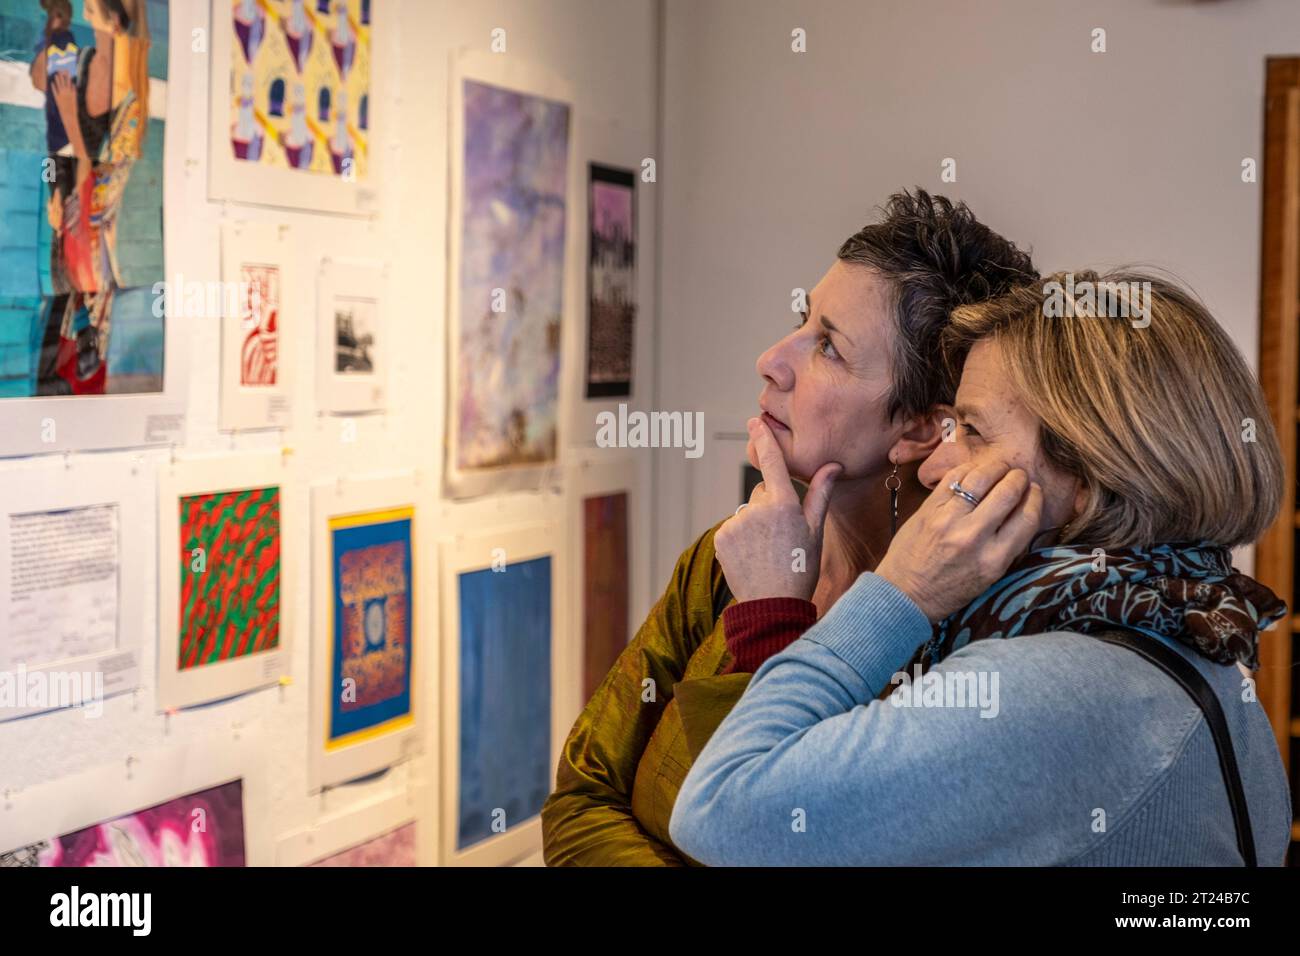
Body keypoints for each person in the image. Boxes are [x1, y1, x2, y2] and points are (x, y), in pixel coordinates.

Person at [670, 271, 1291, 865]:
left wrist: (897, 592)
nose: (935, 467)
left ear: (1086, 474)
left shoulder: (1056, 692)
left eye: (970, 430)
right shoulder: (1185, 636)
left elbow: (722, 809)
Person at [541, 190, 1038, 865]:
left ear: (922, 427)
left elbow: (783, 835)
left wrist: (770, 623)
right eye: (803, 321)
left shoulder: (976, 640)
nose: (772, 359)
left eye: (829, 348)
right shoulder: (727, 558)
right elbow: (579, 800)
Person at [35, 0, 150, 395]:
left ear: (114, 19)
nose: (84, 9)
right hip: (67, 211)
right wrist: (50, 34)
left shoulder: (128, 106)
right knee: (59, 308)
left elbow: (99, 184)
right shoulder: (82, 60)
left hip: (89, 229)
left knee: (76, 323)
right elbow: (52, 132)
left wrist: (69, 114)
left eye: (92, 6)